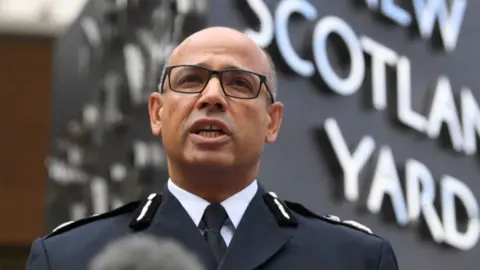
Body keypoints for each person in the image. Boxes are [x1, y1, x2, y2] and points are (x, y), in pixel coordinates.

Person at [26, 26, 399, 270]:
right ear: (157, 113)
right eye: (191, 80)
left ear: (272, 122)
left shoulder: (353, 258)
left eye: (239, 83)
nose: (212, 97)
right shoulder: (68, 258)